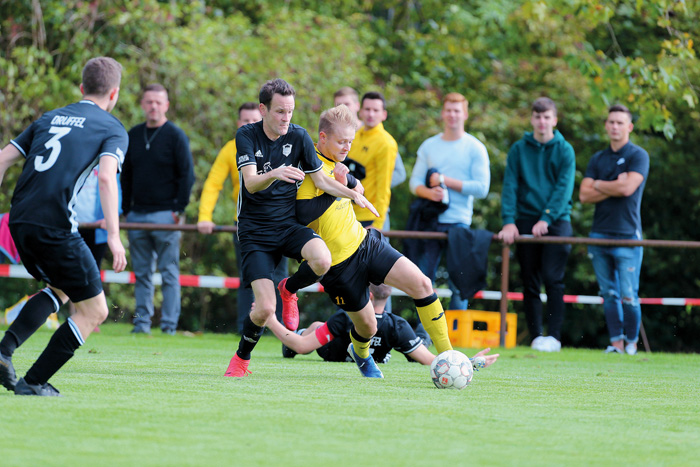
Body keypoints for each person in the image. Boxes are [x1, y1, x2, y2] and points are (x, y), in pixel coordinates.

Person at [283, 104, 454, 379]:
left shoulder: (336, 162)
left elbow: (350, 181)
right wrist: (343, 189)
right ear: (322, 138)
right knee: (368, 329)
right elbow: (303, 213)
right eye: (341, 141)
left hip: (366, 244)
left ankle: (448, 357)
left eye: (350, 141)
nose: (347, 147)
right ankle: (361, 354)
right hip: (338, 268)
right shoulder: (307, 166)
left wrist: (350, 183)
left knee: (422, 284)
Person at [224, 79, 377, 378]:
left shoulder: (299, 136)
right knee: (265, 310)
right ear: (262, 109)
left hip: (287, 226)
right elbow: (252, 184)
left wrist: (355, 194)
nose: (286, 118)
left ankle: (289, 289)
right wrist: (276, 172)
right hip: (254, 232)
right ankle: (242, 358)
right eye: (280, 111)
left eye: (290, 111)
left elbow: (322, 181)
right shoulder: (246, 135)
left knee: (322, 258)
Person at [0, 56, 128, 396]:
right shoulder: (111, 127)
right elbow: (105, 177)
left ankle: (3, 352)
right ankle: (33, 382)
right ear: (114, 93)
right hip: (55, 227)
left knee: (61, 288)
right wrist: (114, 236)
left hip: (19, 222)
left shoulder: (50, 118)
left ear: (82, 88)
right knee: (96, 310)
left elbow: (1, 160)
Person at [197, 102, 288, 332]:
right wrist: (205, 216)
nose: (249, 124)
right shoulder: (231, 148)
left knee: (280, 278)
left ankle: (280, 330)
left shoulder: (278, 142)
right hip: (247, 224)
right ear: (238, 123)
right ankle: (245, 326)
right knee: (248, 277)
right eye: (244, 120)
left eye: (253, 120)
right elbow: (213, 184)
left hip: (279, 222)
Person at [269, 283, 499, 371]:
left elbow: (301, 347)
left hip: (330, 352)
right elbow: (433, 361)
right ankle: (423, 336)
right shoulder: (396, 325)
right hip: (385, 345)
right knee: (420, 342)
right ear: (388, 295)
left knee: (316, 327)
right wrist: (471, 363)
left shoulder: (346, 317)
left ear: (365, 294)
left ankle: (293, 334)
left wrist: (269, 318)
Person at [497, 97, 575, 352]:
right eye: (537, 116)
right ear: (532, 119)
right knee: (529, 281)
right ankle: (535, 336)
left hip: (557, 219)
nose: (542, 122)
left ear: (554, 119)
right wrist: (509, 221)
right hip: (525, 219)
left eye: (547, 117)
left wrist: (547, 218)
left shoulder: (565, 150)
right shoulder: (519, 150)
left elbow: (564, 189)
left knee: (553, 279)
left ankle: (553, 337)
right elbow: (510, 187)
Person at [121, 84, 195, 335]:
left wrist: (178, 209)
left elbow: (187, 175)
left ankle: (169, 327)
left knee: (169, 273)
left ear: (166, 106)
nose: (153, 106)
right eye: (149, 101)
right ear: (142, 104)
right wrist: (125, 210)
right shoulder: (133, 135)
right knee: (141, 273)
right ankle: (141, 324)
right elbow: (126, 176)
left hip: (167, 216)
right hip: (137, 216)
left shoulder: (175, 135)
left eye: (158, 102)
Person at [409, 92, 490, 310]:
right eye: (448, 110)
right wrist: (429, 193)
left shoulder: (475, 148)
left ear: (465, 114)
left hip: (459, 223)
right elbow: (414, 182)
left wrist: (445, 181)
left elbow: (482, 188)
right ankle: (422, 333)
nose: (452, 115)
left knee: (459, 283)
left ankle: (456, 335)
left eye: (457, 111)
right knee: (423, 280)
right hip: (430, 221)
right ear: (442, 113)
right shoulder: (429, 146)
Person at [579, 104, 649, 356]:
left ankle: (631, 344)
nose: (615, 126)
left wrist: (599, 185)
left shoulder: (638, 156)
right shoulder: (598, 159)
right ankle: (616, 344)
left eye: (620, 122)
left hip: (628, 236)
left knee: (629, 295)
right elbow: (584, 195)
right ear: (606, 125)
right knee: (608, 294)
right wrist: (611, 184)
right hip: (599, 234)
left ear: (629, 127)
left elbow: (627, 189)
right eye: (611, 122)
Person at [344, 91, 398, 229]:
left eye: (376, 110)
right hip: (348, 213)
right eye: (367, 109)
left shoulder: (386, 143)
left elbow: (384, 186)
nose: (371, 114)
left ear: (384, 114)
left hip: (369, 217)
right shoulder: (354, 136)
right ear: (360, 111)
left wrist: (378, 224)